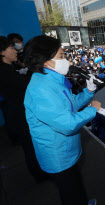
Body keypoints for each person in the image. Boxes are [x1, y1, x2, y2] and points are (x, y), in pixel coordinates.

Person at [23, 36, 100, 205]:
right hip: (57, 153)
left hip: (66, 147)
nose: (66, 60)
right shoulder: (41, 89)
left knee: (75, 184)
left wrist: (88, 92)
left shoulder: (52, 79)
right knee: (70, 192)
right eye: (61, 56)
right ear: (45, 61)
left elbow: (69, 106)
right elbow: (68, 123)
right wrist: (92, 109)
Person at [0, 36, 48, 182]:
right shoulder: (3, 71)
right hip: (20, 115)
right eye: (10, 48)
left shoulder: (9, 67)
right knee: (30, 147)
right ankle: (39, 175)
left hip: (20, 111)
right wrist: (32, 69)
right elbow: (24, 87)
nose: (15, 50)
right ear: (1, 52)